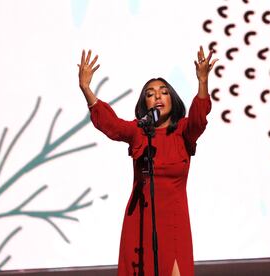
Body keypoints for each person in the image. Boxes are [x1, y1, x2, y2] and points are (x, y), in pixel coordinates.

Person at [78, 46, 218, 276]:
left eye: (163, 92)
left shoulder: (183, 131)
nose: (157, 97)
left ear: (172, 99)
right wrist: (86, 89)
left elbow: (199, 119)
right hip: (141, 221)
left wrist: (203, 81)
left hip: (174, 222)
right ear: (145, 104)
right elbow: (111, 125)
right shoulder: (139, 131)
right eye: (150, 94)